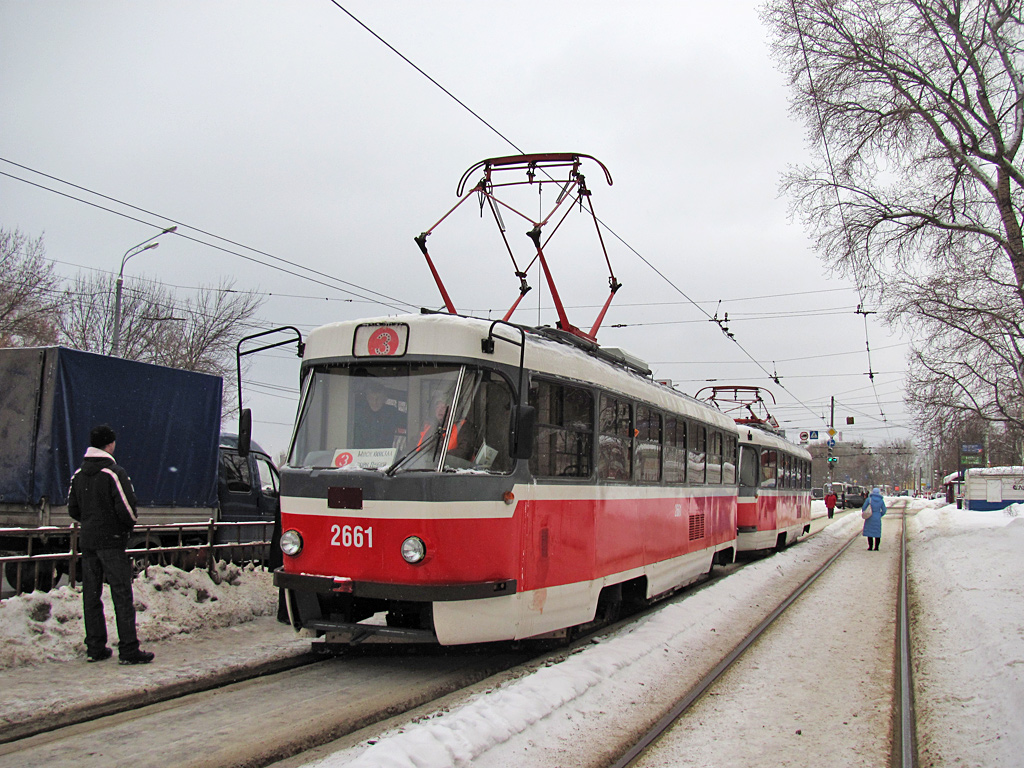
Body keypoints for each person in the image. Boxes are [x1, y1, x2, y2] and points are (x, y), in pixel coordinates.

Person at [67, 425, 154, 665]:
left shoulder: (78, 474)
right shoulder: (114, 473)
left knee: (91, 594)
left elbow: (73, 508)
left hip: (88, 541)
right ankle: (128, 649)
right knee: (121, 594)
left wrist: (91, 522)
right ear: (110, 444)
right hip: (112, 541)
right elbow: (127, 509)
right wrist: (123, 528)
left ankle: (95, 647)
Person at [352, 379, 404, 449]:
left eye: (378, 398)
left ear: (385, 399)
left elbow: (411, 421)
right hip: (360, 453)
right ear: (367, 398)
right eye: (371, 398)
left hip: (385, 454)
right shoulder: (358, 414)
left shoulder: (391, 413)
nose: (375, 402)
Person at [861, 487, 887, 551]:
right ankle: (876, 547)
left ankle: (870, 547)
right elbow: (884, 510)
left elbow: (864, 508)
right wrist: (879, 514)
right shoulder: (881, 500)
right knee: (877, 532)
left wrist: (866, 513)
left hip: (869, 517)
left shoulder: (869, 499)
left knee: (869, 532)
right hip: (877, 517)